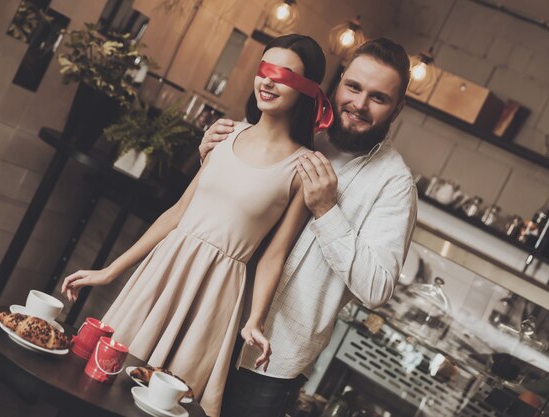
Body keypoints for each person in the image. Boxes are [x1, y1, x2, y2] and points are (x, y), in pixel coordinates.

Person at [60, 34, 334, 417]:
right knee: (103, 382)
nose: (268, 81)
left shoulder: (302, 167)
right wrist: (110, 271)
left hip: (217, 295)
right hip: (163, 272)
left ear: (306, 90)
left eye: (283, 74)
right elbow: (177, 213)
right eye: (264, 70)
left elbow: (274, 255)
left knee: (167, 404)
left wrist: (255, 320)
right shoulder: (224, 134)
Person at [200, 37, 418, 417]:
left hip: (271, 361)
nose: (359, 105)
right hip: (212, 317)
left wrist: (327, 211)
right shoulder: (296, 128)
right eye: (353, 87)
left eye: (378, 98)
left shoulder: (395, 184)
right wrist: (210, 158)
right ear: (338, 82)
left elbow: (377, 287)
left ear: (397, 108)